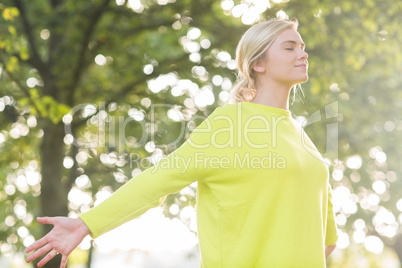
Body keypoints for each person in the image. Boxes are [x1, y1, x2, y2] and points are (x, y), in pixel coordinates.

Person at [26, 18, 338, 268]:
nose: (303, 53)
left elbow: (326, 240)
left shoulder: (300, 134)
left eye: (302, 46)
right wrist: (86, 224)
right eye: (289, 47)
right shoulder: (228, 126)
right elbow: (157, 181)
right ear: (258, 63)